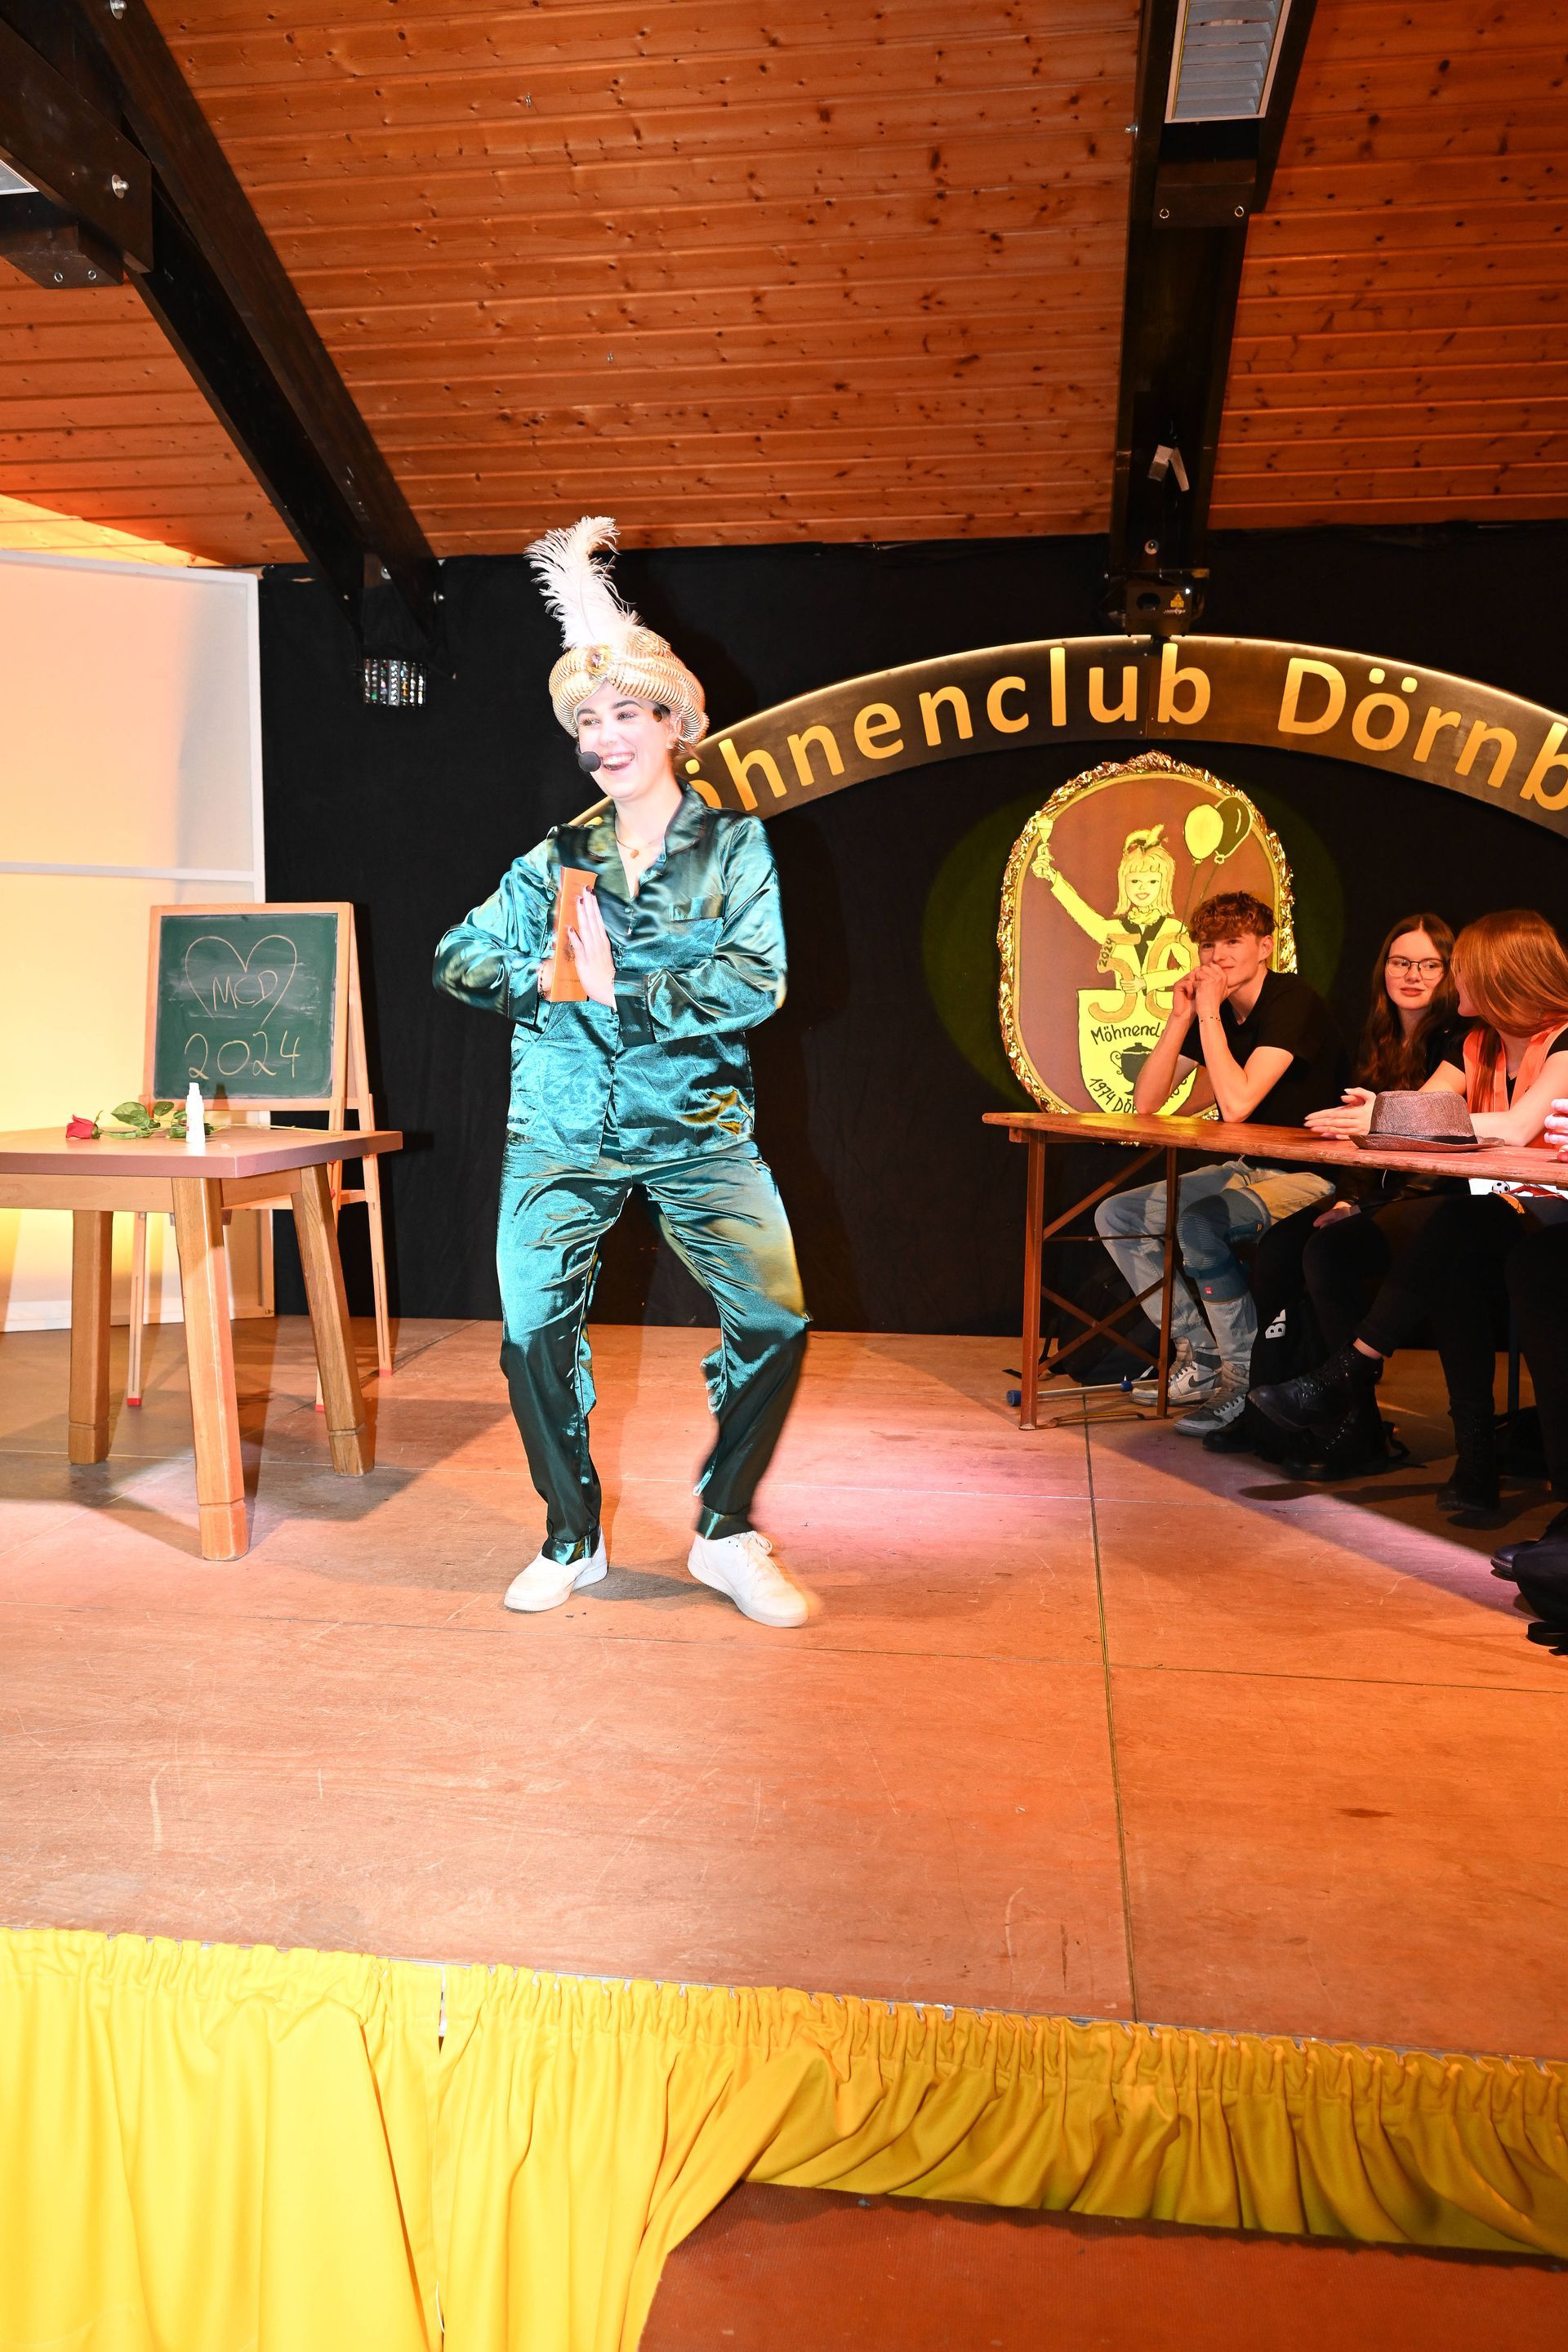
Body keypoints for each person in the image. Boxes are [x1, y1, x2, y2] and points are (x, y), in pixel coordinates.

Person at [433, 515, 812, 1628]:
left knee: (777, 1322)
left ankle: (726, 1529)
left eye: (625, 715)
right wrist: (551, 979)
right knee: (529, 1337)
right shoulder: (551, 861)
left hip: (698, 1126)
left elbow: (758, 981)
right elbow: (456, 956)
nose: (604, 737)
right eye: (587, 721)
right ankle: (572, 1533)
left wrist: (625, 992)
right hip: (559, 1131)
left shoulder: (734, 849)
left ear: (675, 724)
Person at [1252, 911, 1568, 1516]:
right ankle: (1451, 1454)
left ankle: (1348, 1378)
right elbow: (1425, 1113)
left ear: (1499, 974)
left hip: (1553, 1221)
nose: (1453, 981)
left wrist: (1388, 1115)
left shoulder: (1566, 1040)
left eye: (1459, 969)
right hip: (1492, 1215)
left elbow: (1516, 1126)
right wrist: (1380, 1109)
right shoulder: (1476, 1043)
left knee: (1456, 1229)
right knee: (1352, 1245)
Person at [1205, 914, 1463, 1476]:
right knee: (1279, 1249)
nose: (1413, 975)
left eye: (1429, 965)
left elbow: (1433, 1142)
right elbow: (1356, 1143)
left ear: (1451, 973)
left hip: (1434, 1199)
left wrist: (1361, 1206)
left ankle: (1356, 1426)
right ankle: (1269, 1412)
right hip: (1371, 1194)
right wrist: (1349, 1199)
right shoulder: (1379, 1036)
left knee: (1327, 1253)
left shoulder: (1459, 1040)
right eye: (1401, 962)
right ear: (1383, 969)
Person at [1094, 889, 1346, 1437]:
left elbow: (1237, 1104)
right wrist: (1180, 1017)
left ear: (1265, 946)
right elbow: (1146, 1102)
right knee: (1118, 1215)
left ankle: (1243, 1377)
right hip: (1250, 1166)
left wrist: (1207, 1012)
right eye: (1208, 946)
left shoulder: (1291, 1001)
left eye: (1232, 942)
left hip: (1314, 1174)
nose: (1218, 957)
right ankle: (1201, 1354)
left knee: (1200, 1225)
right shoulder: (1219, 1011)